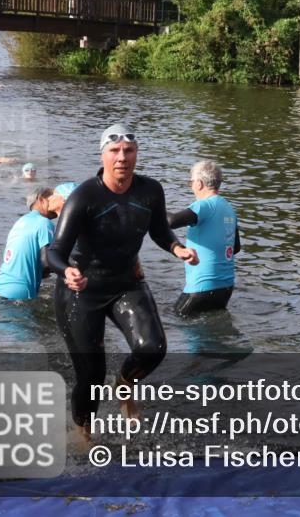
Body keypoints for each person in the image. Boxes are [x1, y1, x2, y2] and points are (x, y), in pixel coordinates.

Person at [46, 124, 197, 444]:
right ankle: (83, 432)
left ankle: (126, 383)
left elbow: (159, 231)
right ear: (102, 155)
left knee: (152, 348)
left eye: (129, 151)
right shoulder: (84, 195)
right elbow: (55, 252)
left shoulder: (150, 190)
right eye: (114, 151)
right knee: (90, 375)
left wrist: (177, 248)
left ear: (136, 154)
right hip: (80, 290)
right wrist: (66, 272)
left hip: (126, 282)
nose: (122, 157)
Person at [168, 160, 241, 316]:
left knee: (173, 320)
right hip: (225, 288)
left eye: (191, 182)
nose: (191, 186)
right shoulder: (229, 209)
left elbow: (171, 221)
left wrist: (152, 207)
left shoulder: (204, 206)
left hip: (201, 287)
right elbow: (236, 248)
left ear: (199, 183)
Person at [0, 187, 66, 300]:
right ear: (42, 200)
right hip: (20, 292)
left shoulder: (20, 221)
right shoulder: (44, 223)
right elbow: (47, 262)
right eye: (53, 199)